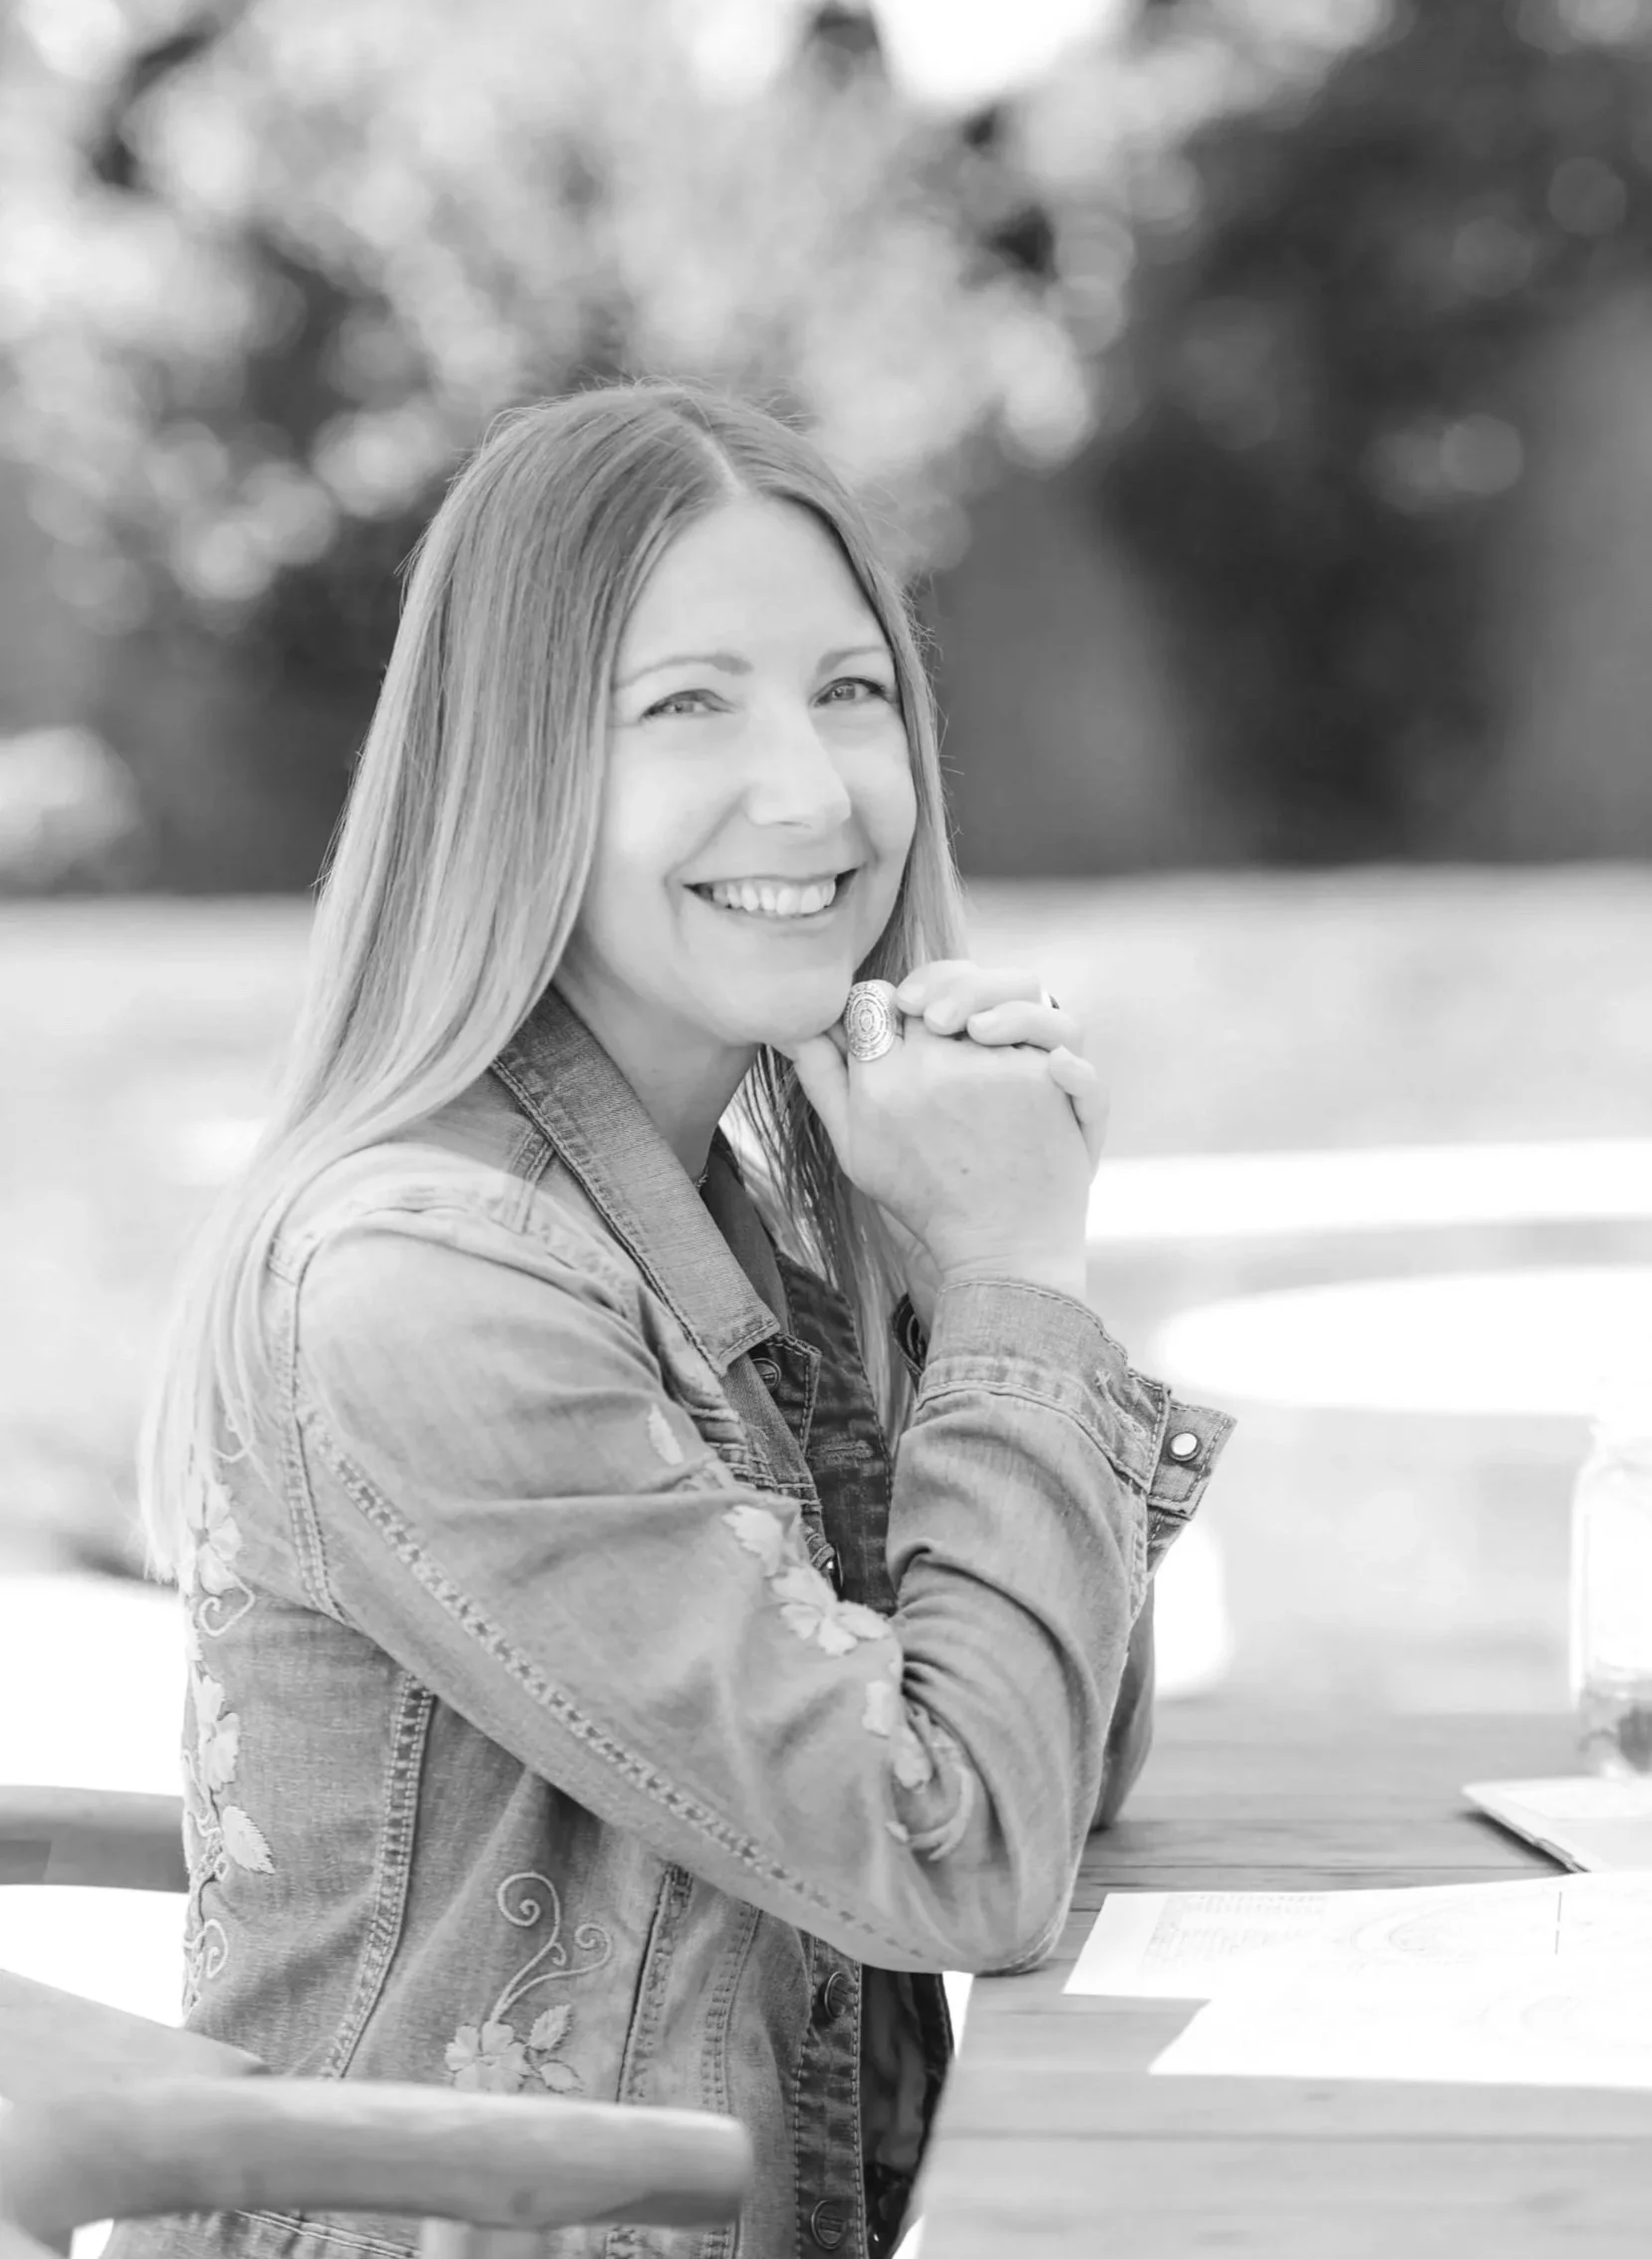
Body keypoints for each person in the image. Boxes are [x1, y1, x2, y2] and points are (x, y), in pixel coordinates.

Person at [125, 380, 1233, 2259]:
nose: (808, 791)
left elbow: (1057, 1776)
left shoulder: (722, 1222)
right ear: (514, 773)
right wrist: (1015, 1281)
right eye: (685, 705)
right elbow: (965, 1852)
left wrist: (944, 1264)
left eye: (850, 691)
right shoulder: (432, 1290)